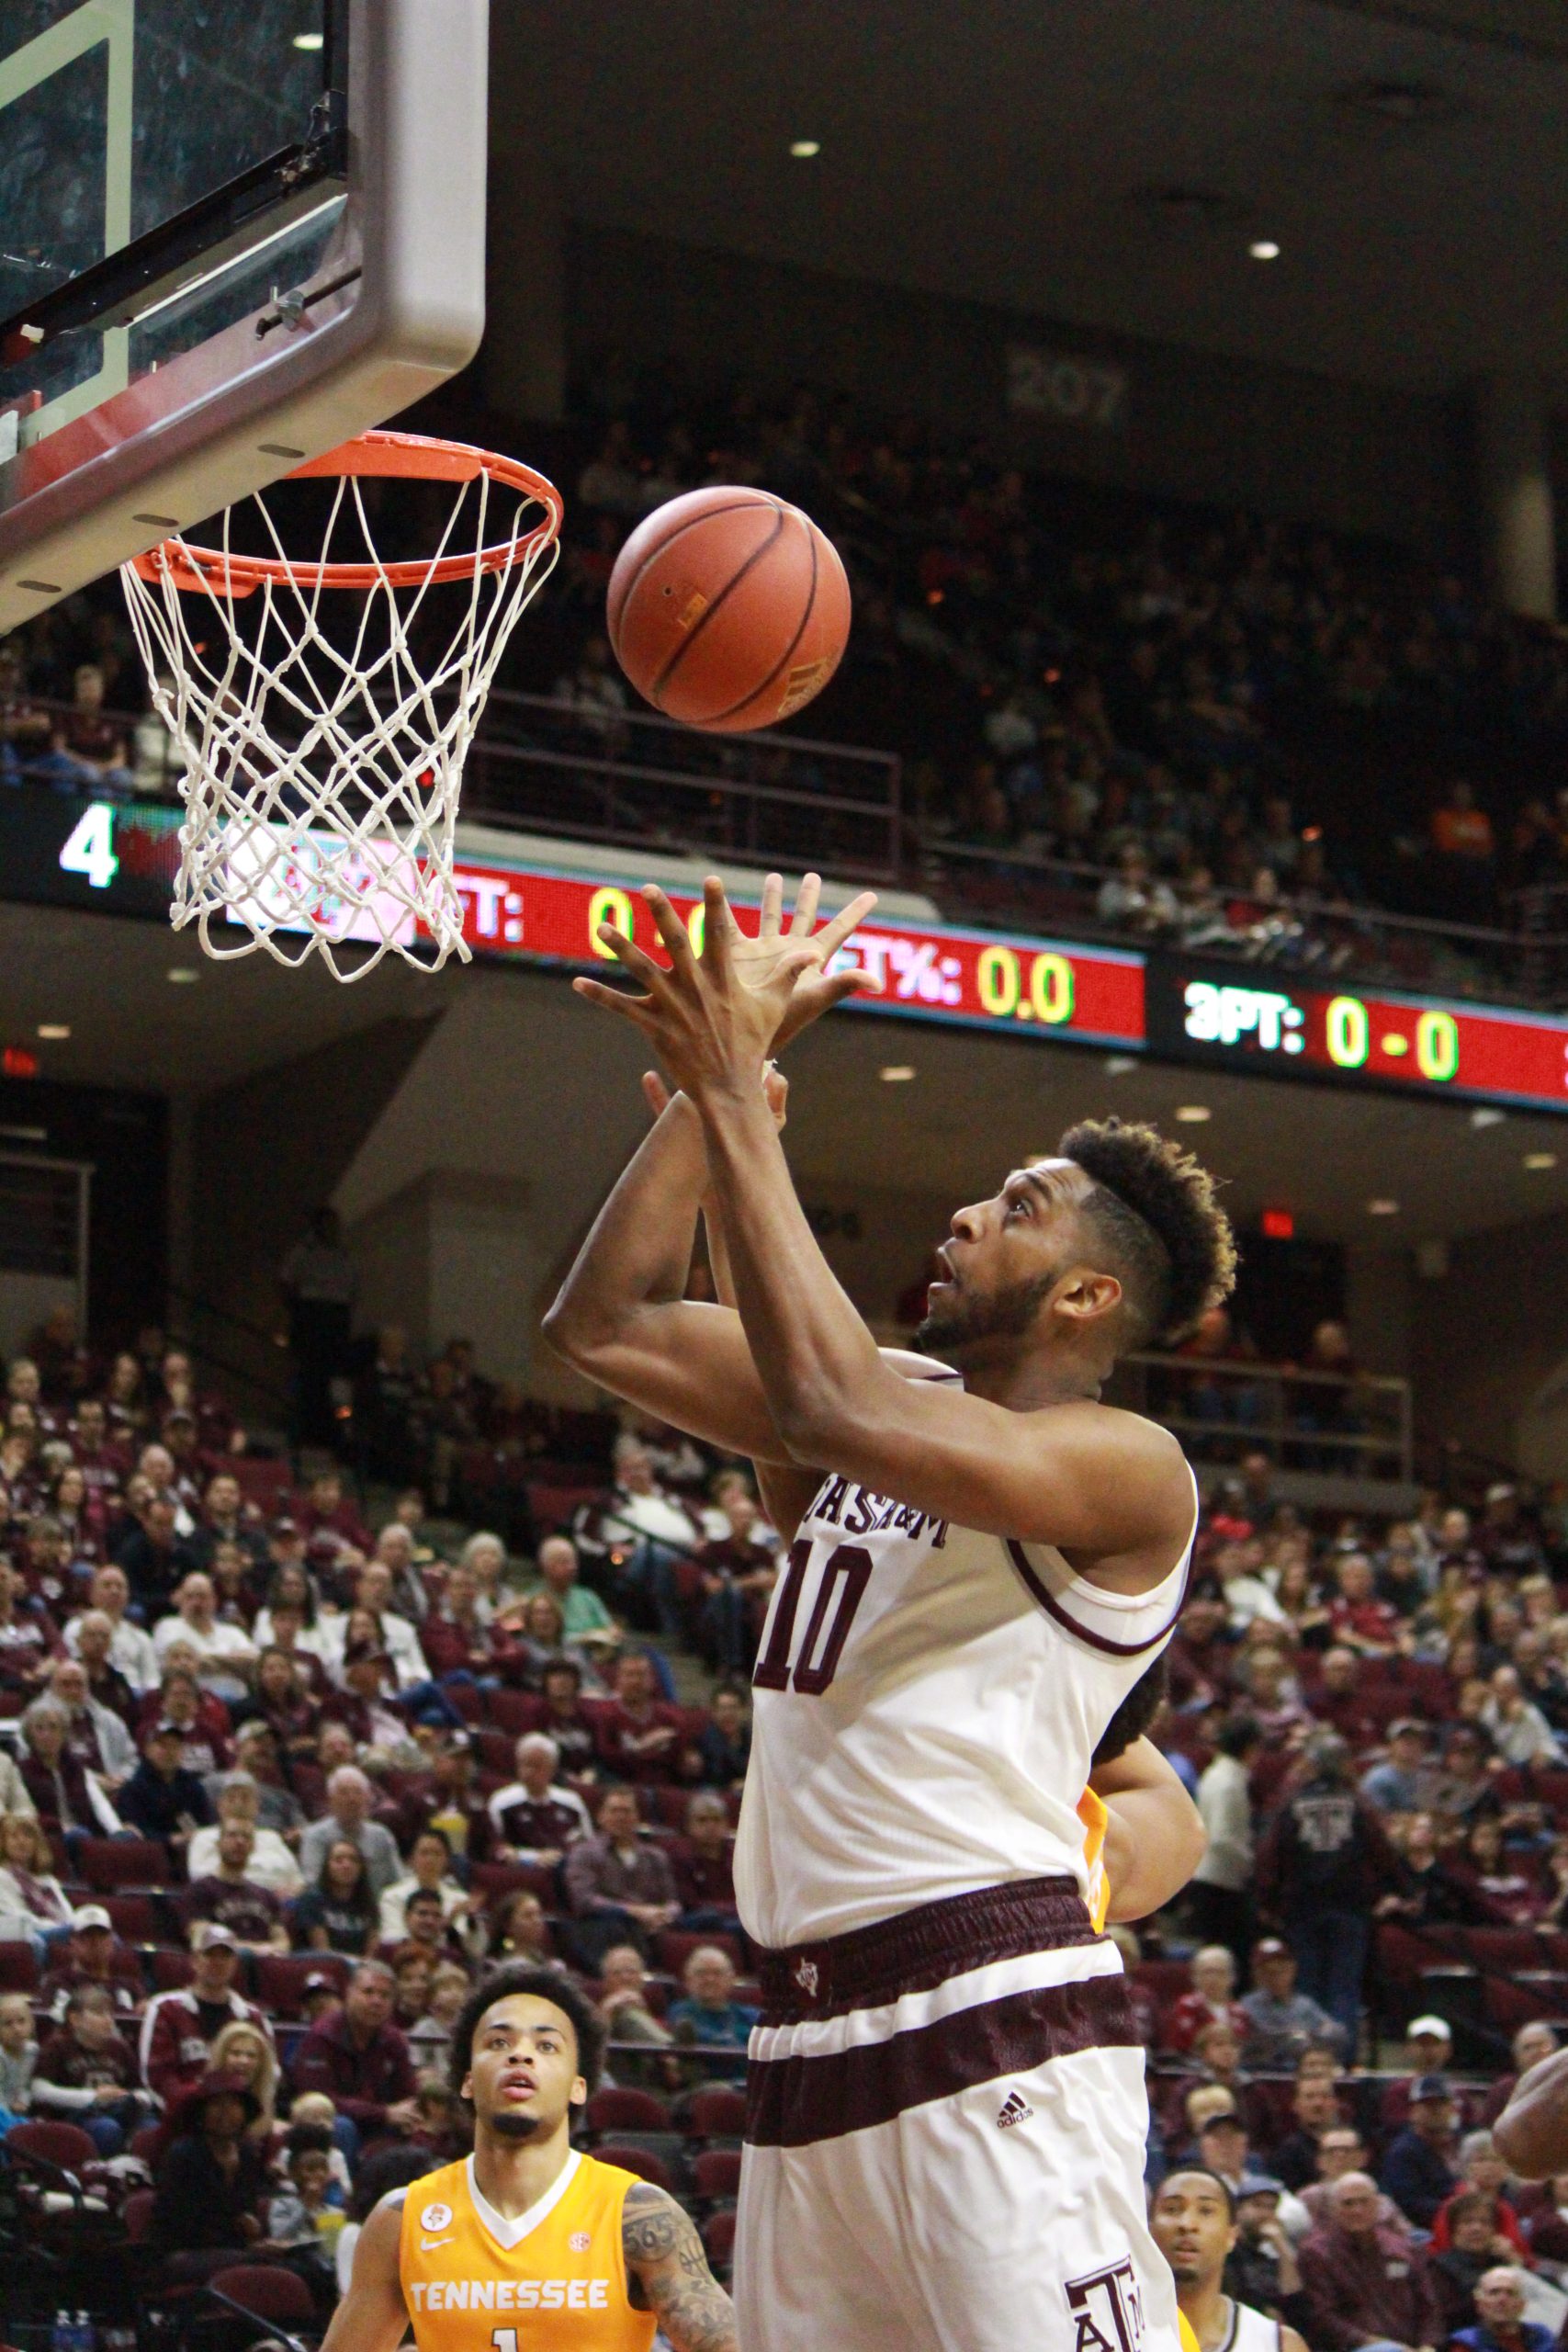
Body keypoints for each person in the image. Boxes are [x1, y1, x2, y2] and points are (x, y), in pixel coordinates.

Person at [547, 869, 1232, 2351]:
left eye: (1017, 1209)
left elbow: (821, 1395)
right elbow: (600, 1323)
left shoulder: (1126, 1468)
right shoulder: (885, 1410)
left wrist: (736, 1085)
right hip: (807, 2039)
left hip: (991, 2019)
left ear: (1084, 1301)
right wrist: (710, 1096)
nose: (968, 1214)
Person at [312, 1964, 738, 2352]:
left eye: (547, 2045)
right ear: (466, 2081)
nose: (520, 2054)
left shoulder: (638, 2215)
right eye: (499, 2042)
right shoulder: (402, 2220)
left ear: (578, 2087)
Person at [1150, 2167, 1309, 2352]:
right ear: (1150, 2230)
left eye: (1206, 2211)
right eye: (1172, 2209)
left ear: (1231, 2236)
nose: (1187, 2224)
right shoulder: (1117, 2331)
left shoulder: (1278, 2343)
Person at [1297, 2171, 1443, 2352]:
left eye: (1364, 2202)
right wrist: (1377, 2344)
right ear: (1333, 2209)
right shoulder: (1316, 2254)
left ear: (1377, 2204)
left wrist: (1428, 2345)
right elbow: (1322, 2318)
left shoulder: (1404, 2249)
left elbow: (1428, 2306)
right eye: (1348, 2203)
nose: (1357, 2210)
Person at [148, 2069, 270, 2279]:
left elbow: (249, 2205)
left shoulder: (248, 2153)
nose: (226, 2112)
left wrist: (253, 2226)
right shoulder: (183, 2154)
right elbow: (179, 2223)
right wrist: (238, 2227)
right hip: (184, 2253)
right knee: (264, 2264)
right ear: (201, 2113)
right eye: (216, 2105)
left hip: (234, 2250)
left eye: (233, 2104)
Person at [139, 1920, 272, 2101]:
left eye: (225, 1956)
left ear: (235, 1963)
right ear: (194, 1960)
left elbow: (268, 2076)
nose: (217, 1962)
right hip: (179, 2117)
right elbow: (157, 2076)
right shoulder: (165, 2009)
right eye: (210, 1955)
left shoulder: (253, 2017)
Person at [288, 1960, 422, 2140]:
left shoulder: (394, 2040)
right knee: (343, 2127)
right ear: (349, 1993)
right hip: (329, 2124)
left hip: (381, 2125)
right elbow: (318, 2099)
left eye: (385, 1995)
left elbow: (407, 2095)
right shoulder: (321, 2036)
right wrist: (382, 2113)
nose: (376, 2001)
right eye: (368, 1992)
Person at [564, 1783, 680, 1969]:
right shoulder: (584, 1853)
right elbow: (584, 1900)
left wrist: (664, 1915)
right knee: (616, 1926)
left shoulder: (655, 1856)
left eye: (626, 1811)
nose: (620, 1817)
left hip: (651, 1926)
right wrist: (635, 1912)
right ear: (600, 1816)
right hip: (606, 1927)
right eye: (614, 1811)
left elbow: (672, 1900)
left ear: (637, 1817)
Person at [1189, 1716, 1258, 1954]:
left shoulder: (1216, 1774)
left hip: (1215, 1878)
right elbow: (1222, 1837)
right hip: (1219, 1882)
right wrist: (1252, 1865)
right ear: (1250, 1748)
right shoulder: (1228, 1783)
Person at [487, 1732, 594, 1864]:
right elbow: (497, 1848)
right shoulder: (502, 1802)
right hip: (524, 1872)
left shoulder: (571, 1801)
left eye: (537, 1766)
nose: (529, 1772)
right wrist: (533, 1858)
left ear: (552, 1769)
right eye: (525, 1764)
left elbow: (589, 1846)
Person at [1239, 1939, 1347, 2070]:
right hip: (1265, 2073)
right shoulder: (1248, 2005)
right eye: (1269, 1972)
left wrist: (1321, 2033)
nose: (1276, 1978)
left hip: (1302, 2071)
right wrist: (1297, 2035)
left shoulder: (1305, 2005)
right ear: (1258, 1974)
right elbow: (1262, 2039)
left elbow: (1336, 2032)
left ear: (1292, 1970)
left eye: (1281, 1970)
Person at [299, 1766, 403, 1895]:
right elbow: (312, 1882)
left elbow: (397, 1882)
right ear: (330, 1800)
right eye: (344, 1793)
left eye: (358, 1792)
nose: (352, 1799)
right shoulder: (315, 1835)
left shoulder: (381, 1835)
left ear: (368, 1798)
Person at [666, 1943, 756, 2084]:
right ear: (688, 1980)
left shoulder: (750, 2014)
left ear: (731, 1979)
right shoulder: (681, 2011)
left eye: (717, 1973)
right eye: (701, 1973)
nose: (710, 1979)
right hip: (708, 2085)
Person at [1381, 2075, 1461, 2230]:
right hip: (1421, 2231)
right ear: (1413, 2111)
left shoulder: (1462, 2143)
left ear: (1453, 2109)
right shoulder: (1403, 2152)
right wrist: (1460, 2208)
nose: (1435, 2110)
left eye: (1441, 2103)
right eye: (1427, 2104)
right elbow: (1411, 2204)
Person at [291, 1838, 383, 1957]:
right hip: (323, 1964)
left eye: (353, 1860)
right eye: (338, 1860)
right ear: (327, 1866)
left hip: (361, 1968)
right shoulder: (311, 1900)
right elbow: (323, 1951)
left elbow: (371, 1951)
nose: (346, 1865)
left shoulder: (369, 1903)